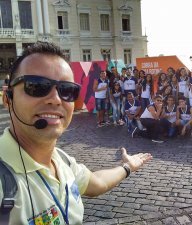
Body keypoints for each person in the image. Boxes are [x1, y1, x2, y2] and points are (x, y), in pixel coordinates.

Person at [0, 42, 152, 224]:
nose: (56, 99)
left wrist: (127, 167)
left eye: (67, 90)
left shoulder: (62, 160)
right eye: (37, 86)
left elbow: (96, 183)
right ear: (7, 99)